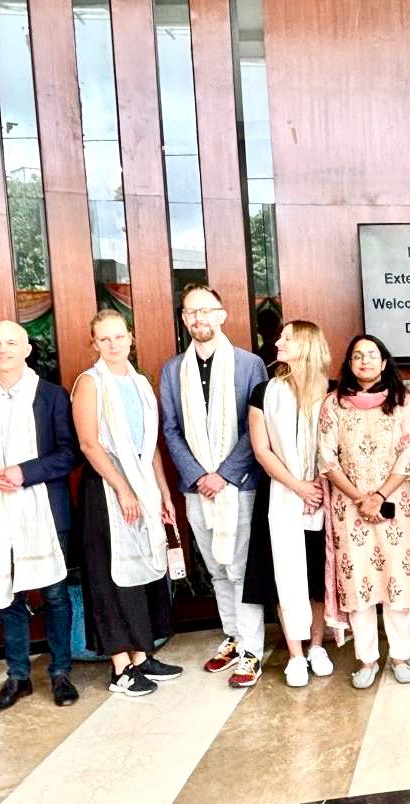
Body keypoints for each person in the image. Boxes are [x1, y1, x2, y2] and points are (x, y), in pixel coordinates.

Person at [0, 320, 80, 712]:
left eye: (11, 342)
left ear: (27, 350)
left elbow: (69, 453)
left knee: (55, 594)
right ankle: (18, 677)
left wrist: (26, 472)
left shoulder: (52, 395)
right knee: (9, 597)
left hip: (46, 511)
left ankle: (60, 673)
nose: (2, 349)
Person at [159, 283, 268, 688]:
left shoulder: (249, 364)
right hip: (196, 487)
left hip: (239, 485)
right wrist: (198, 475)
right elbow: (170, 429)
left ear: (222, 315)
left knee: (239, 569)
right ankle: (233, 636)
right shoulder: (173, 370)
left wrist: (223, 474)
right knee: (216, 570)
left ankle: (252, 649)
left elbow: (256, 427)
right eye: (191, 312)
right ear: (184, 319)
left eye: (206, 310)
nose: (199, 318)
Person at [73, 310, 182, 696]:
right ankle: (121, 667)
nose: (113, 344)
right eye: (104, 339)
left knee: (142, 572)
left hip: (142, 485)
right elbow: (89, 444)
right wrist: (122, 489)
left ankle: (142, 656)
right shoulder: (90, 382)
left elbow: (150, 447)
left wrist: (163, 493)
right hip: (106, 489)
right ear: (94, 343)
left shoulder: (140, 383)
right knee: (111, 575)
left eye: (119, 336)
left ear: (130, 337)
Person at [319, 334, 410, 688]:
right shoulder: (334, 404)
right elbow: (327, 458)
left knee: (397, 580)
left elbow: (409, 454)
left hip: (395, 506)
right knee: (358, 582)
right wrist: (360, 497)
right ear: (349, 364)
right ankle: (366, 660)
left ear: (384, 362)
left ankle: (400, 656)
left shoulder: (402, 401)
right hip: (350, 509)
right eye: (357, 355)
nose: (364, 361)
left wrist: (378, 495)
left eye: (372, 355)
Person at [242, 320, 335, 687]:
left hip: (324, 495)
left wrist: (318, 488)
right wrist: (299, 487)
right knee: (285, 574)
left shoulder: (332, 392)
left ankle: (316, 647)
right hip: (281, 495)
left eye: (287, 338)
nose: (278, 342)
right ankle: (295, 655)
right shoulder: (264, 392)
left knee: (317, 575)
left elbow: (338, 447)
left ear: (307, 345)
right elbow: (261, 450)